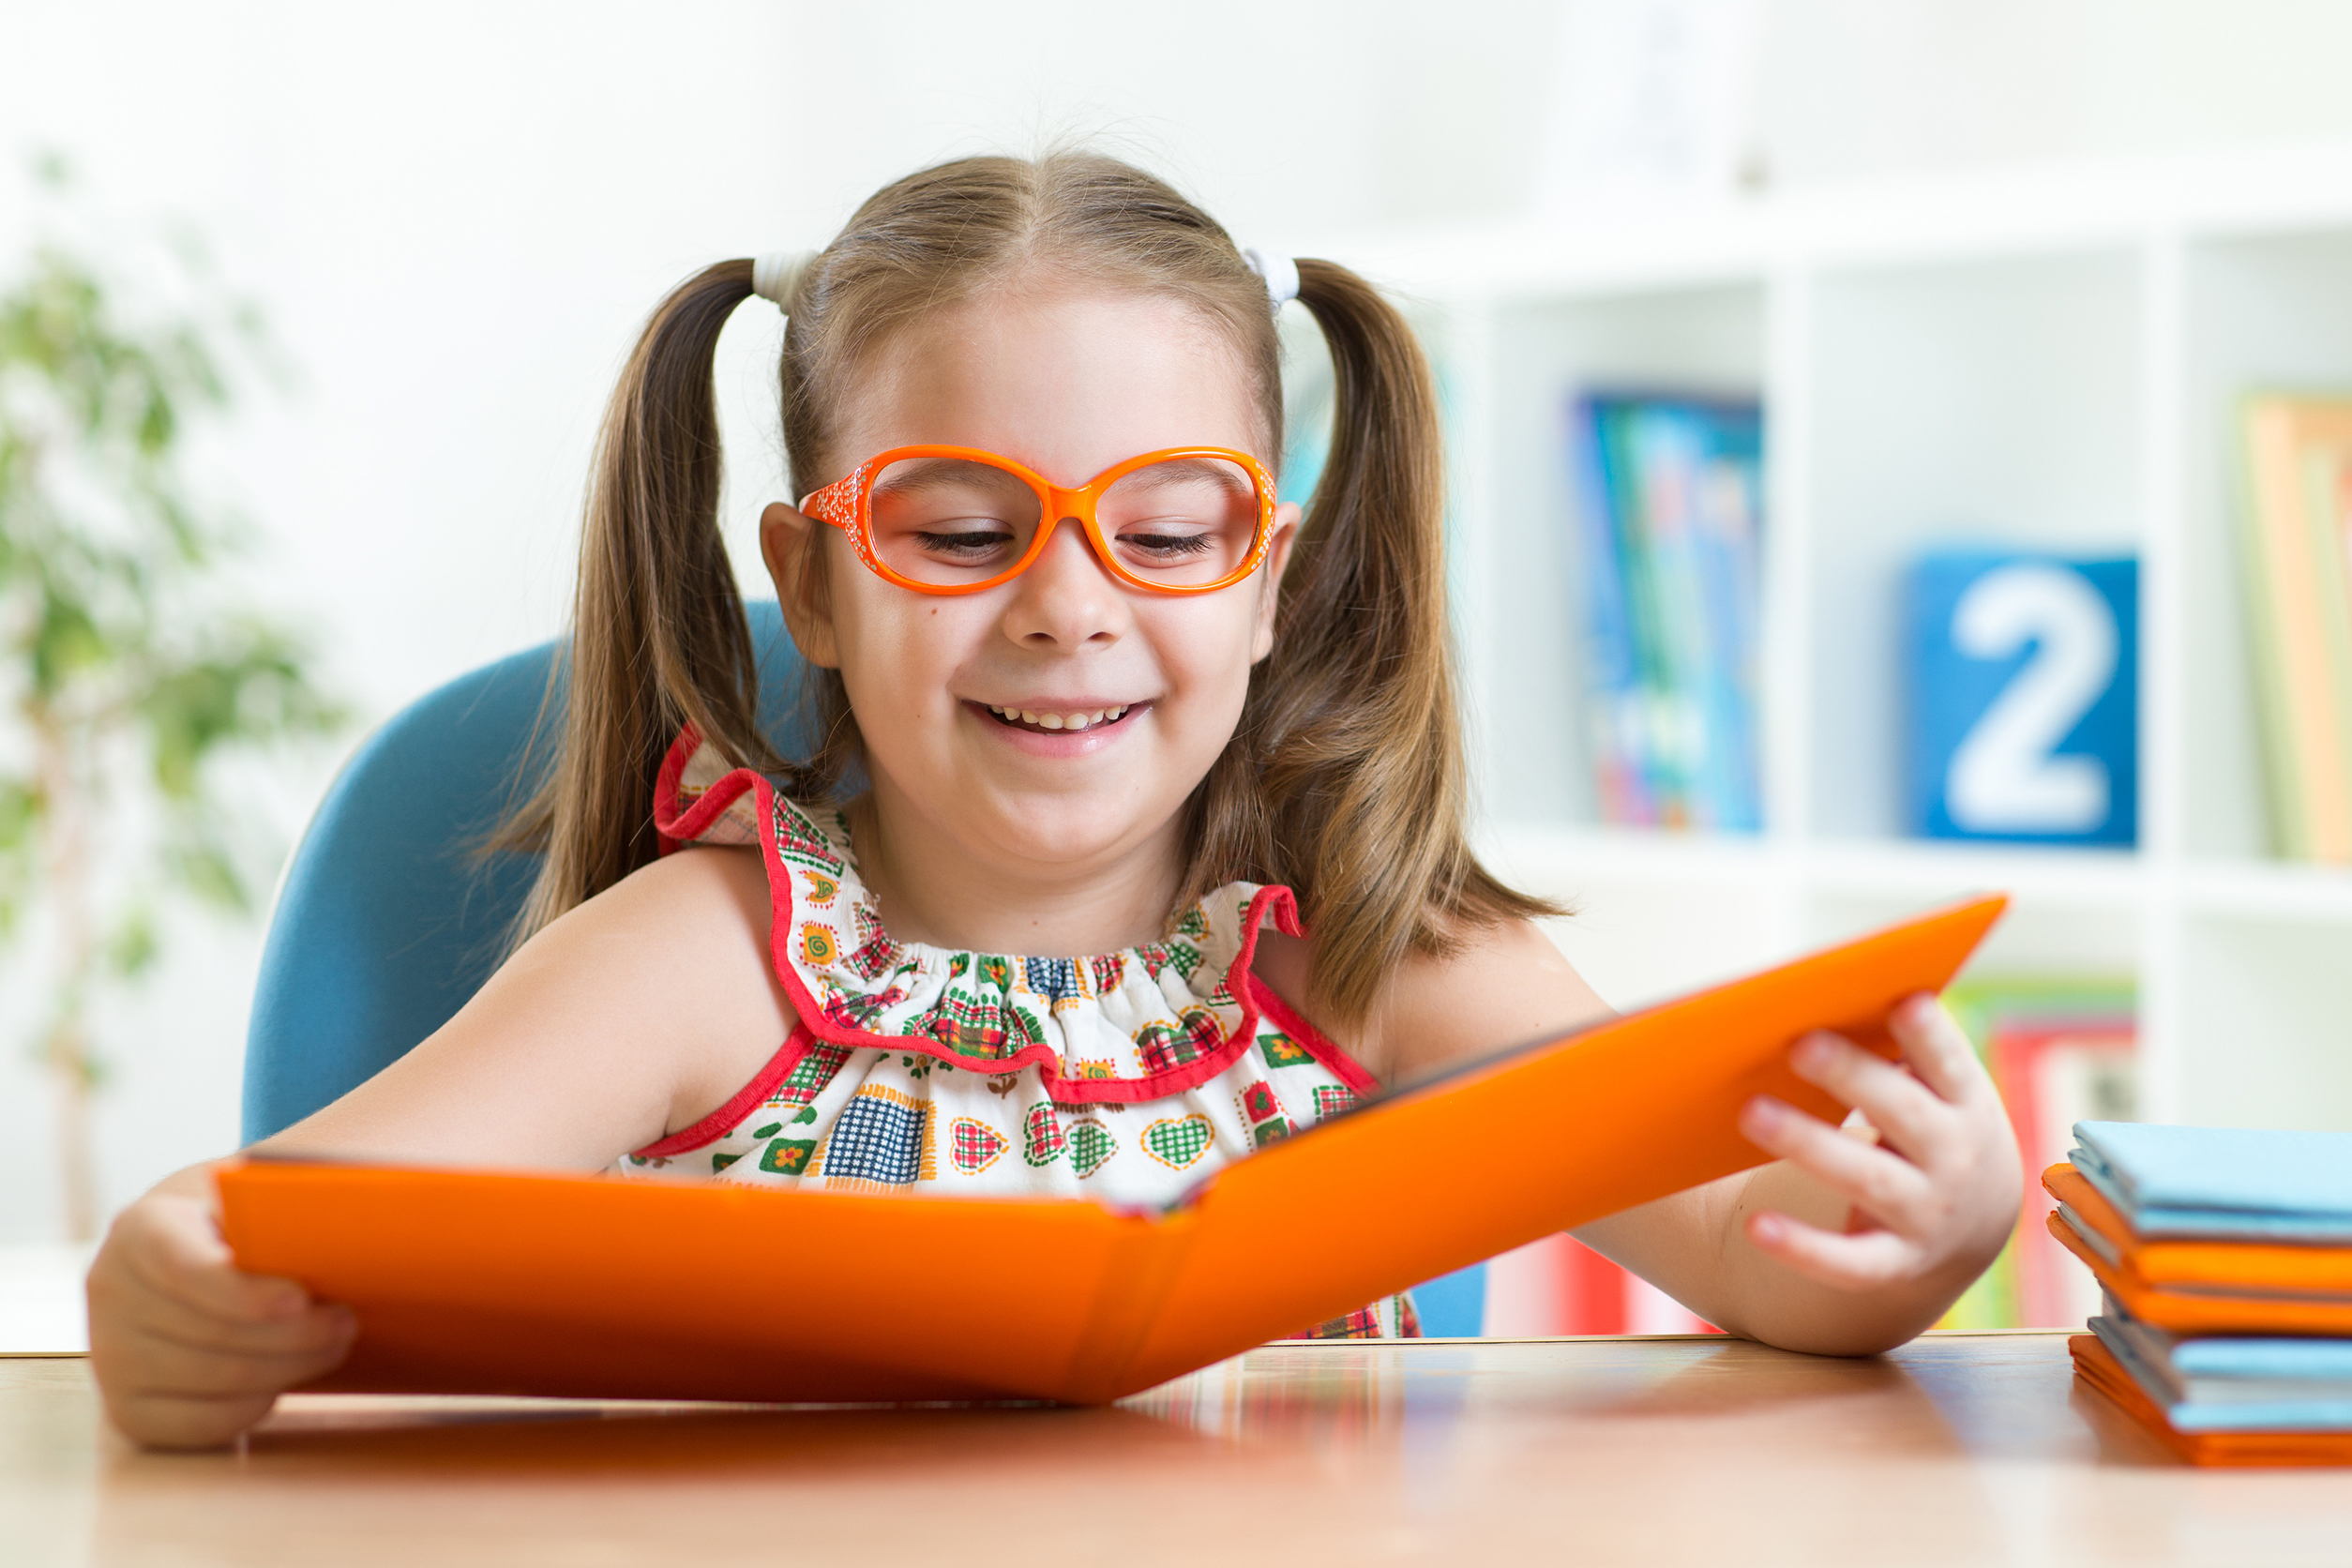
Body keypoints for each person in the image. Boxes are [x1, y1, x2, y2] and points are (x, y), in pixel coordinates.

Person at [84, 152, 2023, 1449]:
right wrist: (167, 1290)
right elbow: (269, 1231)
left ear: (1267, 574)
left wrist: (1927, 1225)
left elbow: (1771, 1253)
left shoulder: (1365, 944)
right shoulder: (707, 956)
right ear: (820, 578)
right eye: (960, 528)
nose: (1072, 603)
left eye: (1169, 528)